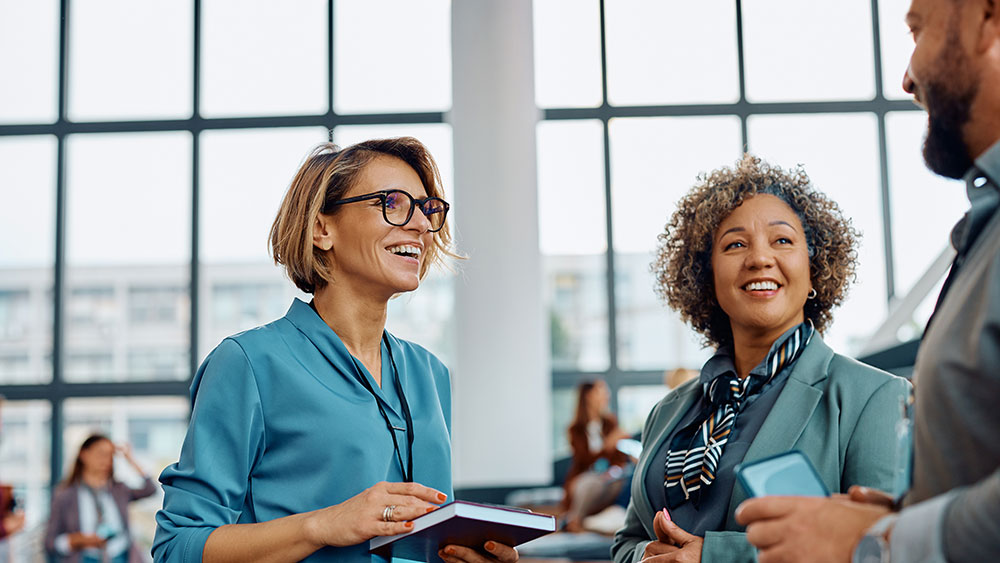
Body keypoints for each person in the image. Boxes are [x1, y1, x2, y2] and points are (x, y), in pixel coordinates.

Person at [152, 138, 518, 563]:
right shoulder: (248, 364)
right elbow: (176, 548)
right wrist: (323, 525)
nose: (419, 224)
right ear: (321, 229)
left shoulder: (430, 373)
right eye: (393, 202)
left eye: (426, 208)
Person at [735, 0, 1000, 561]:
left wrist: (879, 539)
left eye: (918, 29)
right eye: (734, 245)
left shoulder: (866, 393)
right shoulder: (983, 233)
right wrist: (899, 516)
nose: (907, 77)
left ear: (988, 17)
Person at [610, 155, 911, 563]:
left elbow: (890, 547)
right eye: (735, 244)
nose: (759, 258)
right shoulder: (669, 411)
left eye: (782, 240)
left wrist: (712, 557)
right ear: (706, 276)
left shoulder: (873, 397)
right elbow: (626, 542)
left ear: (814, 269)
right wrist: (647, 555)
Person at [44, 434, 157, 563]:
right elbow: (50, 543)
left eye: (110, 455)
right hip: (84, 558)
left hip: (121, 556)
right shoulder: (65, 495)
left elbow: (151, 489)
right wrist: (76, 540)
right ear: (84, 454)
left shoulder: (119, 489)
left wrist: (130, 458)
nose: (106, 460)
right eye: (100, 453)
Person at [562, 380, 631, 533]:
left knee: (625, 479)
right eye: (600, 391)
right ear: (588, 396)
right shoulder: (575, 430)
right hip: (586, 477)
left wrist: (622, 445)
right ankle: (576, 520)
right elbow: (583, 459)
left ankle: (576, 520)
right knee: (588, 483)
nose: (606, 395)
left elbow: (618, 458)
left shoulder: (610, 423)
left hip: (610, 477)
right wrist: (607, 445)